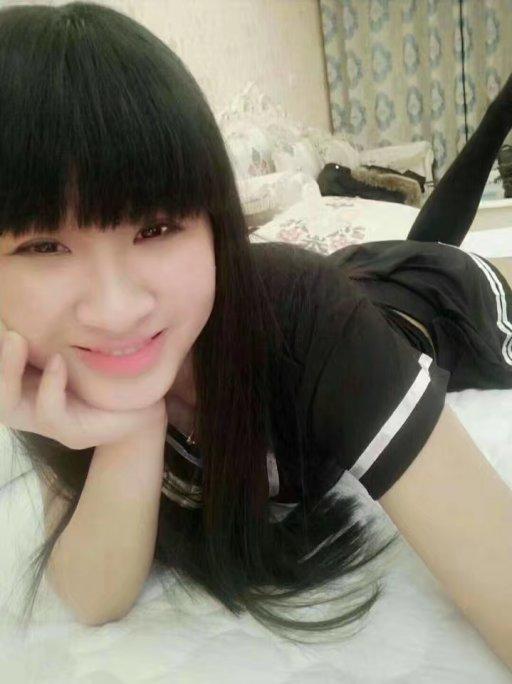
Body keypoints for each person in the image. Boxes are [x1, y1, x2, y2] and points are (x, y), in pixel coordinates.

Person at [0, 2, 511, 669]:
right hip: (343, 277)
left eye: (156, 228)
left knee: (438, 252)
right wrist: (132, 425)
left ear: (215, 226)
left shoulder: (305, 321)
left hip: (442, 302)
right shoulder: (42, 360)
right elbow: (93, 595)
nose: (116, 310)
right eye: (44, 246)